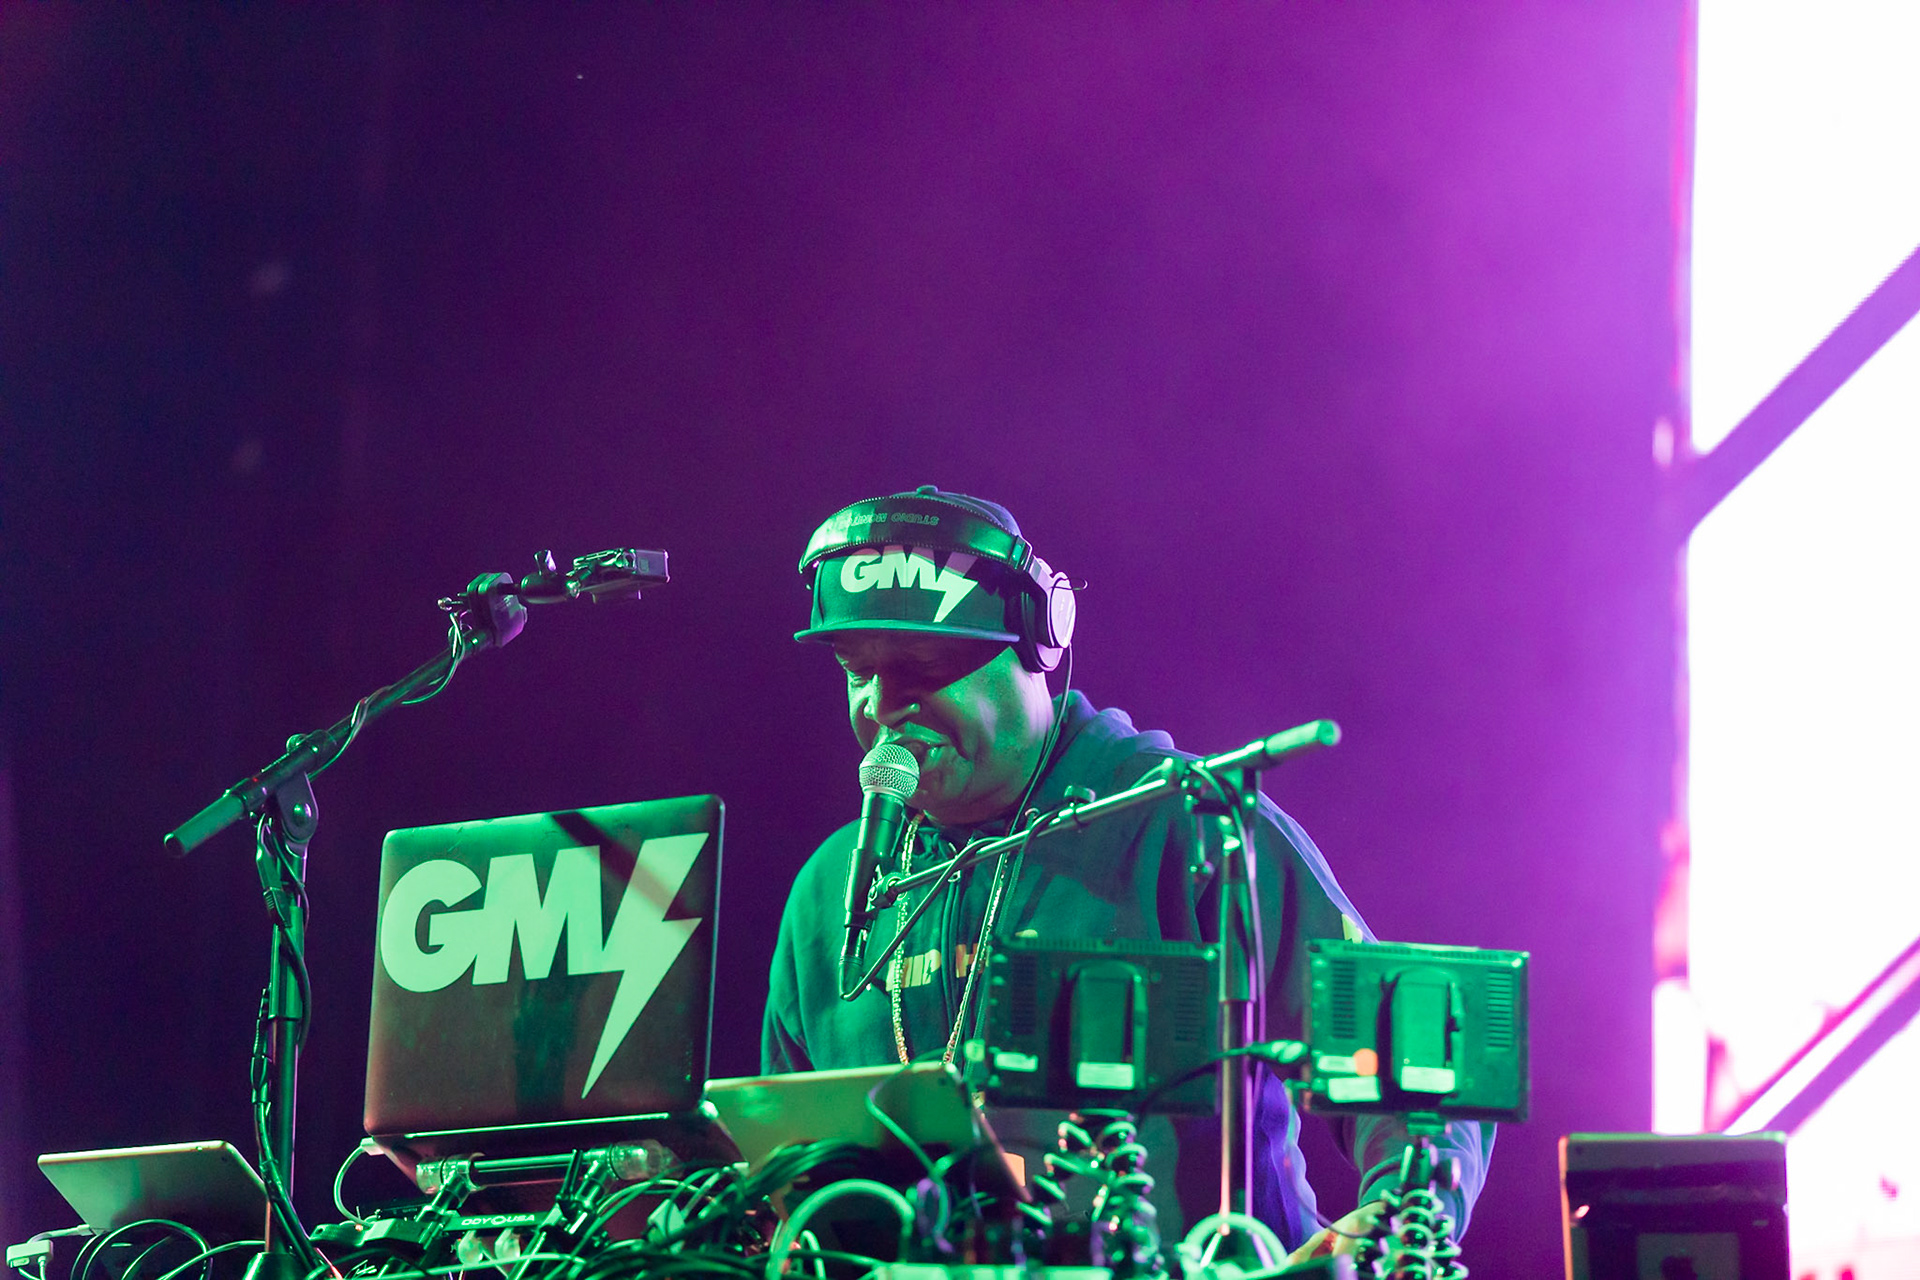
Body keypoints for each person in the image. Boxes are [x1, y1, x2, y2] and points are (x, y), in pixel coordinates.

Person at [761, 485, 1492, 1262]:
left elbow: (1417, 1079)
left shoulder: (1189, 821)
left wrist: (1374, 1242)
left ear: (1038, 648)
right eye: (857, 671)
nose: (881, 705)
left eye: (923, 668)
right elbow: (789, 1172)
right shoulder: (828, 891)